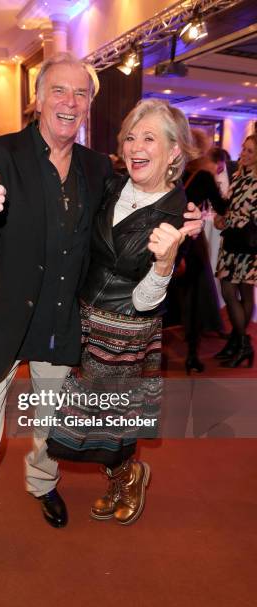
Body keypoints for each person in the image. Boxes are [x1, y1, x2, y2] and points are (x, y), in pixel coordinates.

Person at [0, 53, 202, 596]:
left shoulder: (100, 169)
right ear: (37, 97)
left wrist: (183, 223)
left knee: (47, 424)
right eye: (59, 91)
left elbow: (137, 210)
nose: (69, 103)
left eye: (81, 95)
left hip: (60, 325)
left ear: (90, 107)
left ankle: (42, 482)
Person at [46, 98, 196, 525]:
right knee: (92, 421)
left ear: (173, 153)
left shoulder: (176, 214)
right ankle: (126, 477)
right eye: (131, 136)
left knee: (111, 422)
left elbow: (146, 302)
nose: (135, 146)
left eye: (149, 137)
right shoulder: (110, 186)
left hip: (126, 331)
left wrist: (165, 263)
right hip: (84, 320)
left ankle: (127, 478)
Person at [173, 137, 228, 374]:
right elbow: (223, 207)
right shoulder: (204, 177)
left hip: (171, 238)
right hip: (192, 241)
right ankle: (192, 355)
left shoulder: (174, 172)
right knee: (195, 296)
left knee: (176, 294)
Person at [214, 134, 257, 367]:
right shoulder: (239, 175)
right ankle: (238, 341)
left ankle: (242, 344)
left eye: (250, 151)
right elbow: (229, 206)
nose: (244, 153)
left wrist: (236, 219)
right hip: (231, 242)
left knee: (239, 292)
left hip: (247, 246)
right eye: (244, 148)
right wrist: (222, 218)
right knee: (230, 291)